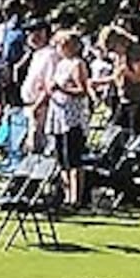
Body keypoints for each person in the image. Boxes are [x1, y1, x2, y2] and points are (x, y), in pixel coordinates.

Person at [45, 32, 92, 208]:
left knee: (73, 158)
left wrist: (63, 90)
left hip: (72, 118)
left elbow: (82, 90)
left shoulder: (77, 64)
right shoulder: (60, 64)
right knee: (61, 158)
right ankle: (66, 195)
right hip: (58, 115)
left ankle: (76, 197)